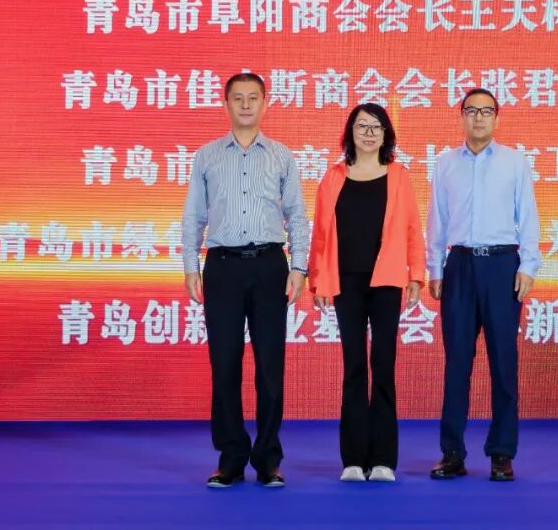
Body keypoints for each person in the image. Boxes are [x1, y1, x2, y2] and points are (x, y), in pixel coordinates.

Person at [181, 72, 310, 489]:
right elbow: (194, 215)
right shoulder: (207, 156)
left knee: (270, 366)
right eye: (238, 98)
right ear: (226, 104)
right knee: (225, 364)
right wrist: (190, 266)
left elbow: (297, 214)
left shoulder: (281, 155)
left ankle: (268, 458)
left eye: (253, 98)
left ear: (265, 103)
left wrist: (299, 267)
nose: (246, 105)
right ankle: (231, 457)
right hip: (222, 267)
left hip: (270, 265)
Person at [425, 88, 541, 482]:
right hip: (459, 266)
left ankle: (502, 453)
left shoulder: (514, 162)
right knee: (457, 364)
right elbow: (437, 219)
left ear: (497, 118)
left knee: (503, 363)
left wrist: (528, 265)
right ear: (461, 116)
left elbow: (528, 216)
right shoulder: (445, 164)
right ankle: (452, 453)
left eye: (486, 111)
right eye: (471, 111)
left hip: (503, 266)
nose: (478, 118)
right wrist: (435, 268)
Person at [308, 103, 425, 483]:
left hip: (387, 281)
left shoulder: (398, 176)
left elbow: (412, 229)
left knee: (384, 367)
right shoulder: (333, 177)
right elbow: (321, 234)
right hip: (347, 282)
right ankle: (354, 459)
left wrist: (416, 275)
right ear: (350, 133)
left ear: (386, 134)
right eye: (362, 126)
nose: (369, 133)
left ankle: (384, 459)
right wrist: (317, 279)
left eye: (376, 127)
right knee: (354, 367)